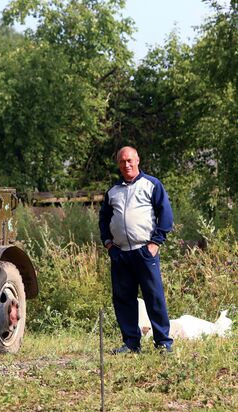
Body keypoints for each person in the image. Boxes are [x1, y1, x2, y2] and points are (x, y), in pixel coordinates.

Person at [99, 146, 174, 354]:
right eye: (122, 161)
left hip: (144, 251)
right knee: (123, 298)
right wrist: (108, 243)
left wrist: (156, 242)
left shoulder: (152, 185)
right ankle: (132, 343)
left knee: (154, 296)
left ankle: (163, 343)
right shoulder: (112, 191)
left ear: (138, 160)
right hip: (120, 253)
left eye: (130, 160)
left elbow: (166, 215)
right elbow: (104, 218)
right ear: (118, 164)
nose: (127, 164)